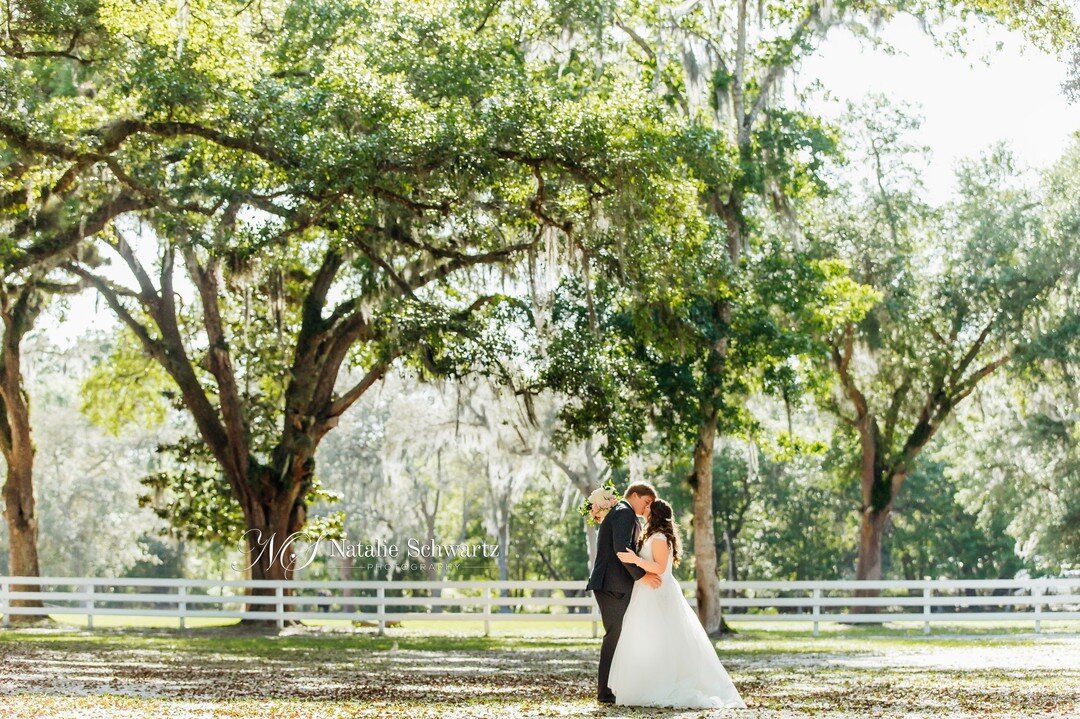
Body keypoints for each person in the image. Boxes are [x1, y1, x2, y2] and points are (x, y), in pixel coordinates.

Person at [609, 498, 746, 709]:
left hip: (657, 592)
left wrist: (635, 560)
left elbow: (659, 568)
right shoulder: (651, 535)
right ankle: (646, 684)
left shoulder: (660, 538)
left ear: (654, 514)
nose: (644, 509)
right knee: (647, 639)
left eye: (648, 507)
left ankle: (662, 684)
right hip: (646, 592)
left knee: (662, 638)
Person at [585, 482, 662, 705]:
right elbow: (621, 549)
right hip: (612, 585)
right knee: (614, 636)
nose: (647, 508)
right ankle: (605, 692)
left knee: (620, 636)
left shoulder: (623, 513)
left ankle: (614, 688)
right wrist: (641, 576)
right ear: (635, 495)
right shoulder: (623, 512)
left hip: (614, 584)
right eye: (646, 502)